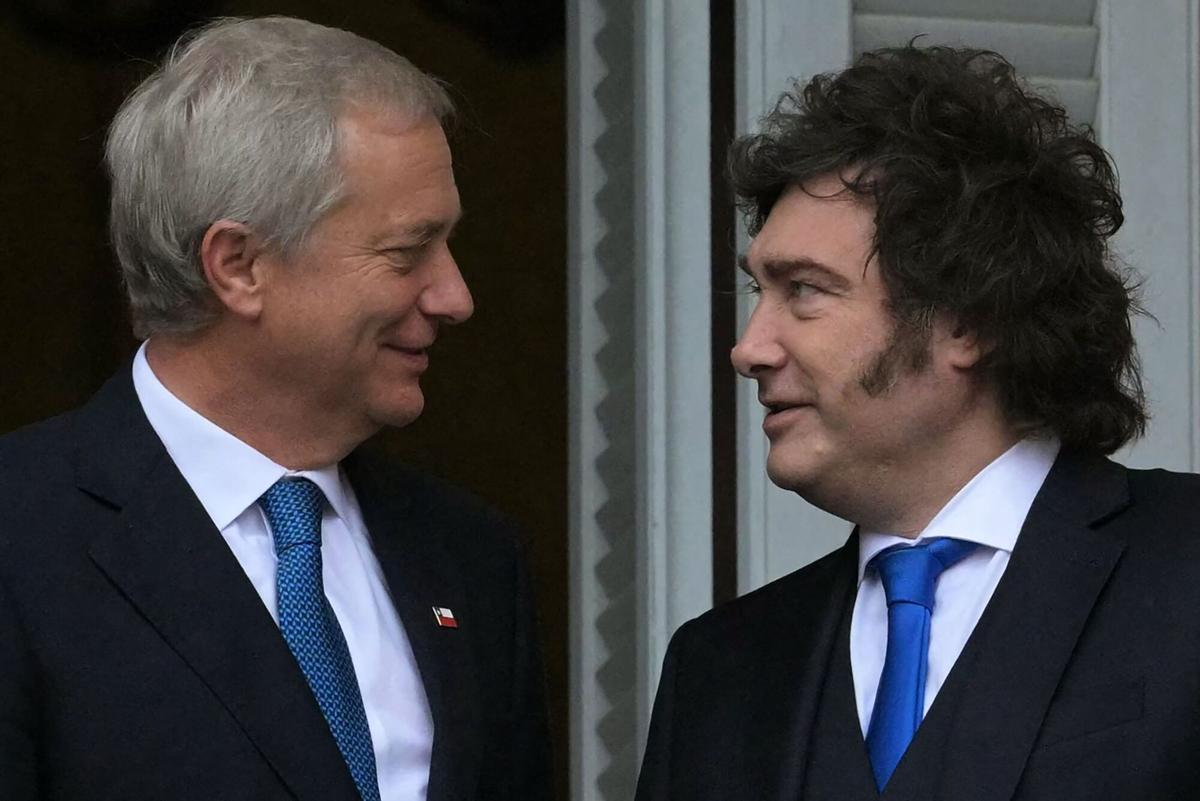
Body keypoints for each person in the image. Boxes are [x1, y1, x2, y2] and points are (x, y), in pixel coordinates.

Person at [0, 17, 552, 801]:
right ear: (239, 265)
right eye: (406, 252)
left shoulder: (470, 555)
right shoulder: (22, 538)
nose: (455, 296)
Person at [635, 45, 1200, 801]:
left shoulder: (1185, 566)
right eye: (757, 293)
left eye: (804, 290)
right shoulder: (719, 670)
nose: (748, 348)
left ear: (968, 316)